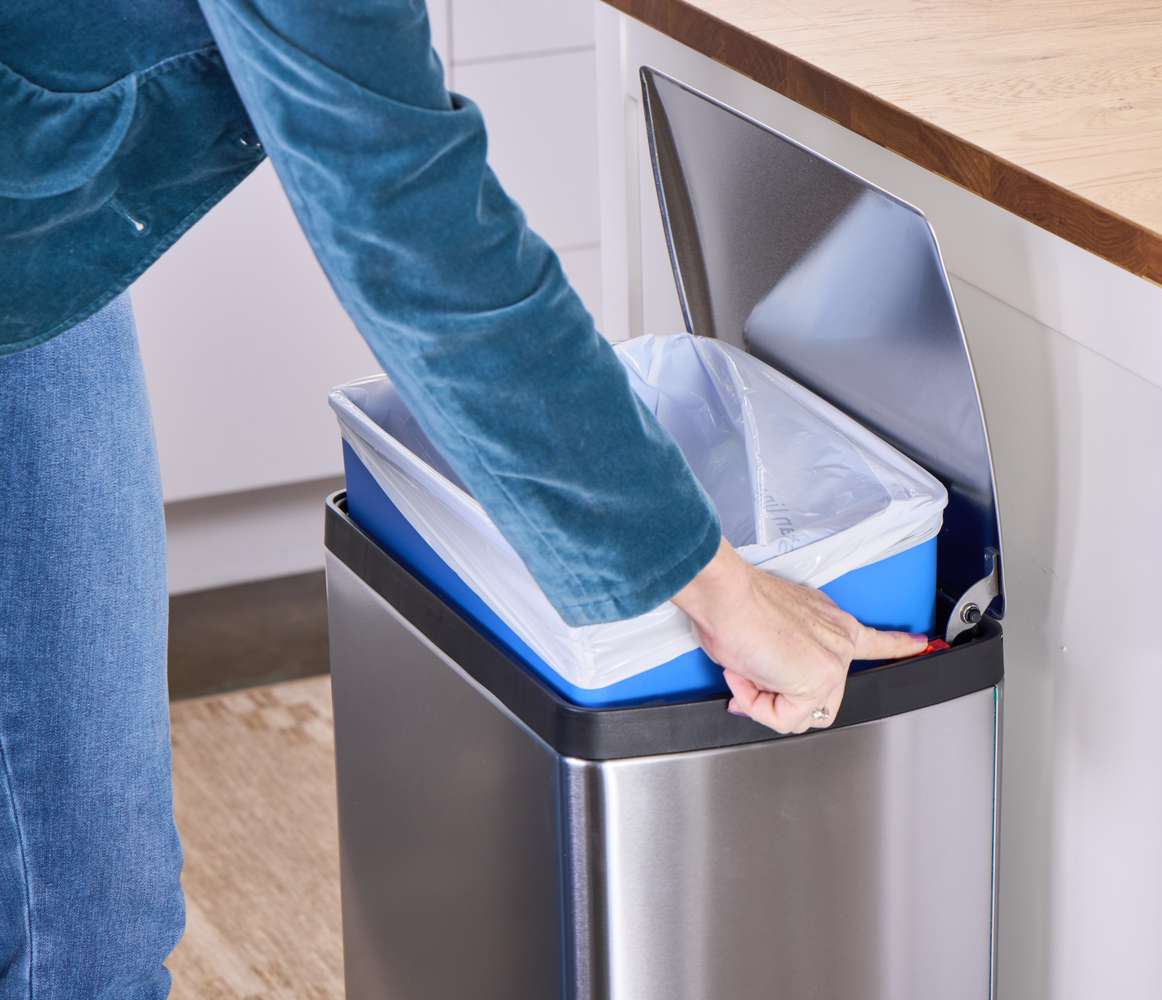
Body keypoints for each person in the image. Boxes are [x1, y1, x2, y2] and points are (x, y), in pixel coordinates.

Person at [0, 0, 930, 996]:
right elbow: (410, 223)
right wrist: (723, 592)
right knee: (83, 931)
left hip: (38, 241)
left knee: (93, 913)